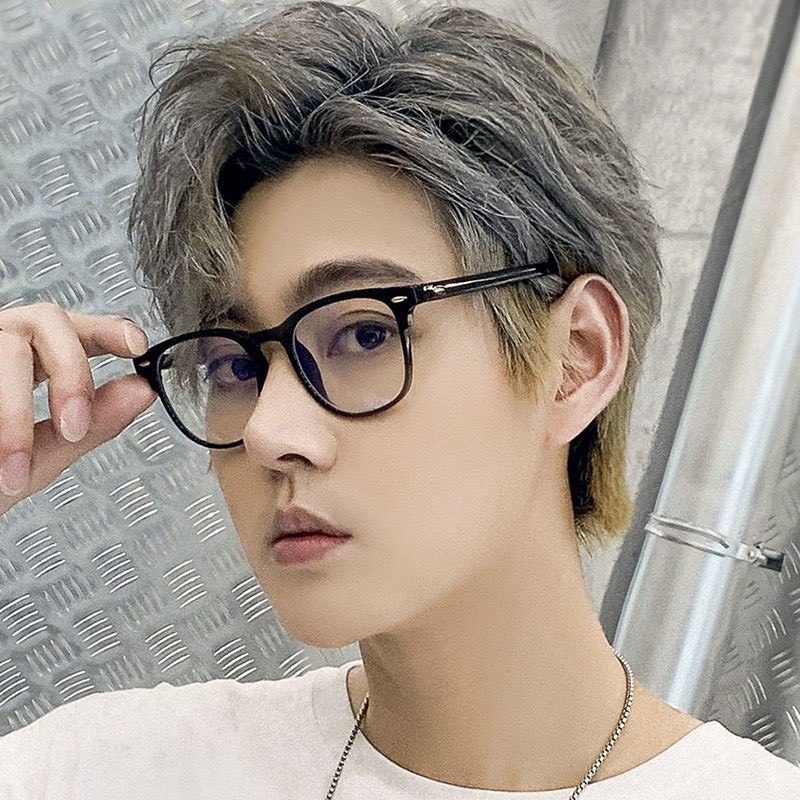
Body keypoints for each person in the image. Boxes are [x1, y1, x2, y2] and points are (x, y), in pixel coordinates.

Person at [0, 2, 798, 798]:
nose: (270, 432)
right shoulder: (103, 773)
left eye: (364, 334)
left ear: (576, 358)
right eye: (233, 365)